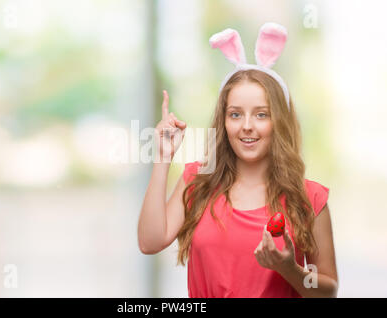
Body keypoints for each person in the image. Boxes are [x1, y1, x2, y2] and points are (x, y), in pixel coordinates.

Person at [138, 23, 338, 298]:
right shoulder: (197, 181)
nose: (246, 126)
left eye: (261, 114)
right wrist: (162, 157)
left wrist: (289, 269)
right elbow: (150, 242)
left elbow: (327, 292)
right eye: (235, 114)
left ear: (278, 121)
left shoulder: (310, 199)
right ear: (223, 120)